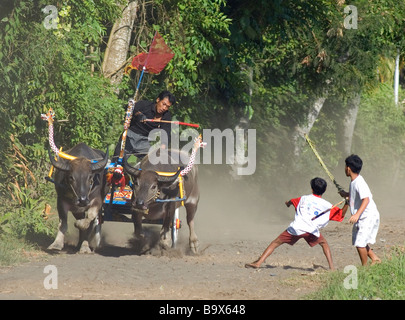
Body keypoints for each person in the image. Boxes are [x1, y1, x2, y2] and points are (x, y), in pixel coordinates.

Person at [245, 177, 347, 270]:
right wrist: (347, 202)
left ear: (312, 189)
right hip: (311, 230)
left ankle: (259, 263)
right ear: (324, 191)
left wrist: (287, 203)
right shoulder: (327, 205)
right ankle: (332, 268)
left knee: (275, 243)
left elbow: (291, 201)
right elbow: (341, 214)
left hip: (296, 228)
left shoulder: (303, 199)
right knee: (324, 244)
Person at [338, 154, 381, 266]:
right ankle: (375, 258)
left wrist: (356, 214)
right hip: (363, 216)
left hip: (367, 216)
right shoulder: (354, 182)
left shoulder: (359, 182)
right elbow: (356, 196)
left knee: (360, 243)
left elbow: (366, 199)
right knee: (359, 240)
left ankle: (364, 268)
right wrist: (346, 194)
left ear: (348, 168)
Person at [113, 90, 176, 160]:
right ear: (158, 100)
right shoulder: (144, 105)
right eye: (163, 104)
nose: (164, 108)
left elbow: (166, 132)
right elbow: (129, 108)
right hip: (129, 136)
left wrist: (163, 147)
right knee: (118, 161)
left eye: (167, 107)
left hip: (144, 142)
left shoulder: (166, 116)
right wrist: (138, 115)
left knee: (152, 161)